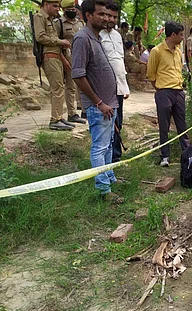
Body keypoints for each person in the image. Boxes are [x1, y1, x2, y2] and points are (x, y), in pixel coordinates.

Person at [72, 0, 122, 203]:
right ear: (87, 15)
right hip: (99, 107)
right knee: (100, 147)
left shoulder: (96, 38)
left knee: (109, 145)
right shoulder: (82, 38)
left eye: (106, 14)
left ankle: (110, 177)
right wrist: (99, 102)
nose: (105, 18)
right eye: (100, 14)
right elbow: (78, 75)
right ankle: (104, 190)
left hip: (110, 105)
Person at [147, 21, 190, 167]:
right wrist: (161, 90)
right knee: (164, 126)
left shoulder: (179, 51)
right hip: (164, 92)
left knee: (182, 125)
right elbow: (151, 74)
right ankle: (165, 156)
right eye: (181, 34)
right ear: (173, 35)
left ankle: (187, 154)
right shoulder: (157, 51)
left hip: (179, 92)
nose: (183, 37)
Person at [33, 0, 74, 130]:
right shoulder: (39, 17)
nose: (58, 9)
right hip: (49, 57)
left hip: (56, 57)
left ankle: (59, 117)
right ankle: (55, 120)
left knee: (60, 87)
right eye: (55, 6)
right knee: (57, 88)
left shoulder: (50, 19)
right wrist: (60, 41)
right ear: (46, 5)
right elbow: (40, 37)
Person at [100, 2, 130, 163]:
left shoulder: (117, 35)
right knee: (107, 124)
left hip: (118, 87)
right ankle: (105, 160)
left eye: (114, 17)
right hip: (104, 88)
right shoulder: (97, 35)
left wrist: (124, 87)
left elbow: (119, 62)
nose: (111, 19)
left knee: (118, 122)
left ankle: (115, 157)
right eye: (108, 16)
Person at [57, 0, 85, 125]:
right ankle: (68, 114)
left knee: (78, 86)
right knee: (68, 86)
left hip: (80, 58)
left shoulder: (80, 23)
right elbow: (55, 44)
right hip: (66, 58)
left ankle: (78, 112)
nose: (73, 11)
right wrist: (63, 59)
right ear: (64, 10)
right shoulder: (58, 23)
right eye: (70, 9)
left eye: (74, 10)